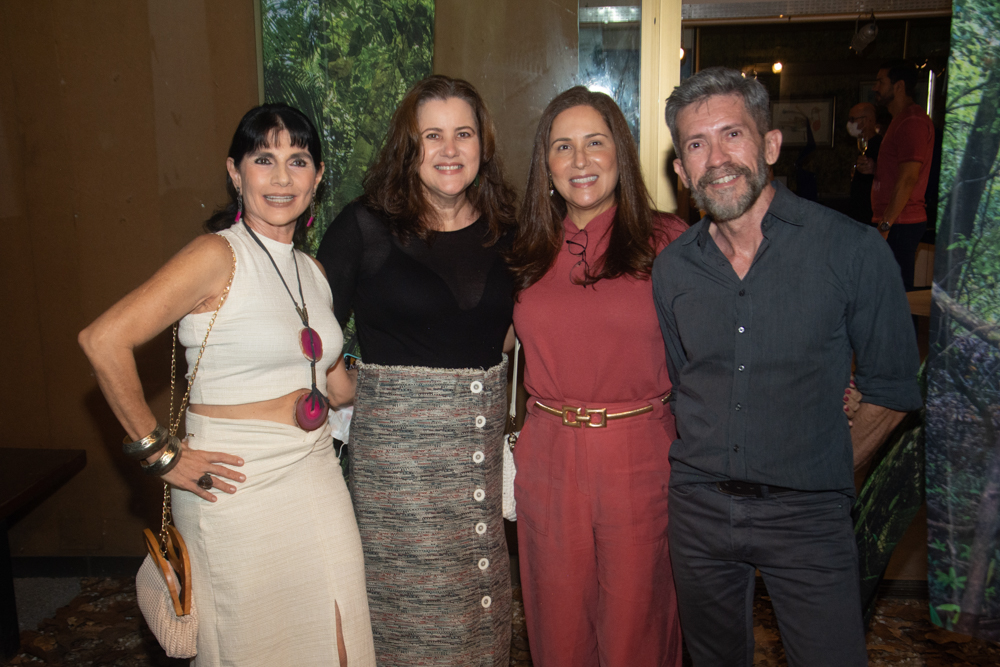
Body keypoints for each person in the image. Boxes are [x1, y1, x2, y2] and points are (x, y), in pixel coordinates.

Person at [78, 104, 375, 667]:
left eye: (299, 160)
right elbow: (103, 341)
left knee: (341, 635)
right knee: (250, 646)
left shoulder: (311, 272)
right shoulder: (217, 255)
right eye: (264, 159)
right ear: (236, 174)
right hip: (235, 491)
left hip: (315, 477)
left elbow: (335, 387)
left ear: (316, 178)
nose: (282, 177)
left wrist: (414, 349)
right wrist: (161, 454)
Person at [654, 67, 923, 666]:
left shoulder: (852, 251)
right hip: (699, 513)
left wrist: (822, 464)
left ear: (770, 145)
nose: (716, 158)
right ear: (680, 170)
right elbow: (683, 384)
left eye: (733, 135)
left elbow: (894, 390)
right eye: (696, 144)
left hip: (809, 517)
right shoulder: (672, 271)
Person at [316, 75, 518, 667]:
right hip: (397, 481)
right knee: (403, 619)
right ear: (410, 146)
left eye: (463, 133)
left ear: (483, 145)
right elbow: (310, 327)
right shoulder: (365, 225)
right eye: (432, 136)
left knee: (479, 617)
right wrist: (340, 386)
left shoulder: (509, 229)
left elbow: (517, 327)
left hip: (476, 465)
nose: (449, 149)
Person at [508, 87, 687, 667]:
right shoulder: (526, 249)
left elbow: (723, 348)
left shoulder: (669, 242)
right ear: (547, 164)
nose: (580, 160)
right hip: (547, 455)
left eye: (594, 143)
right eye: (563, 147)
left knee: (638, 625)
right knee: (557, 628)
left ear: (621, 153)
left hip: (640, 453)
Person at [857, 60, 935, 290]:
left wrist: (885, 225)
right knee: (885, 294)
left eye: (881, 82)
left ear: (899, 86)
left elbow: (910, 177)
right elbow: (899, 171)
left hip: (900, 222)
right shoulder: (899, 120)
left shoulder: (912, 121)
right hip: (894, 222)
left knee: (897, 298)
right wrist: (874, 169)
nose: (875, 88)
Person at [847, 101, 882, 225]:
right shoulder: (859, 146)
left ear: (866, 120)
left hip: (870, 215)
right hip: (858, 216)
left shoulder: (880, 146)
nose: (849, 123)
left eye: (852, 119)